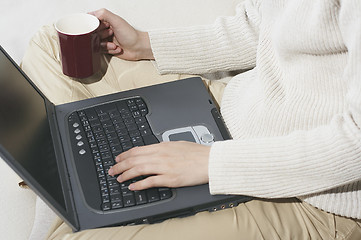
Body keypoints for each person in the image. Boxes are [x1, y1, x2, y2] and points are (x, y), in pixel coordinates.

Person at [21, 0, 361, 239]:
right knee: (53, 45)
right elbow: (261, 24)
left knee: (67, 237)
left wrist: (210, 163)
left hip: (315, 197)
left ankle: (70, 189)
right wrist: (144, 44)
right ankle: (75, 182)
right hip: (232, 107)